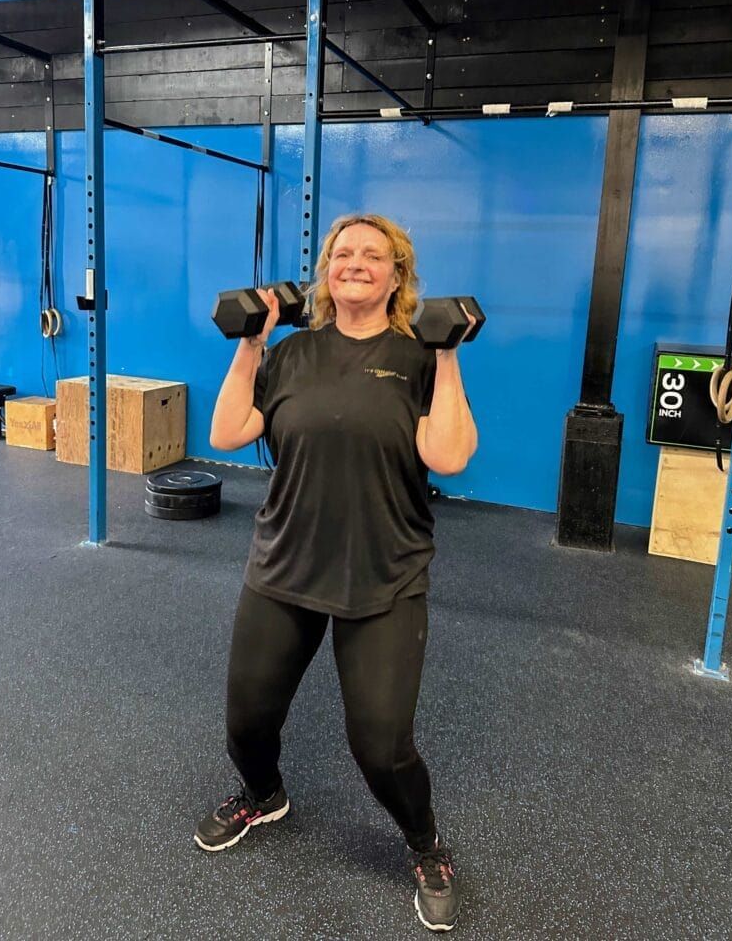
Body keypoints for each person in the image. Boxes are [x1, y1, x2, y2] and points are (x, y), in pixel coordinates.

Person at [197, 213, 478, 932]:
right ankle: (263, 794)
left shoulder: (417, 357)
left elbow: (448, 457)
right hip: (285, 563)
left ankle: (425, 846)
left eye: (372, 255)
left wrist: (446, 358)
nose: (354, 263)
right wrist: (251, 344)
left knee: (381, 747)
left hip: (383, 575)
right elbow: (227, 434)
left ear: (396, 275)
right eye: (341, 254)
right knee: (246, 723)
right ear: (324, 273)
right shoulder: (291, 354)